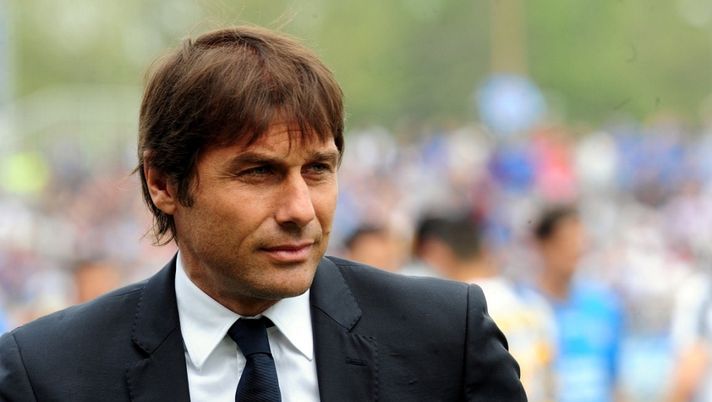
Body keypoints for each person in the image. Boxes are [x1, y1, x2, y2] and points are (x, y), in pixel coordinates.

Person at [0, 26, 525, 401]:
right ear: (163, 183)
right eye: (258, 172)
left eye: (317, 169)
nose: (300, 209)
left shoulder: (446, 338)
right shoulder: (48, 374)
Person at [412, 212, 556, 402]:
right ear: (486, 250)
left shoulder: (452, 315)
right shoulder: (535, 305)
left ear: (437, 254)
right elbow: (551, 386)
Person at [532, 205, 624, 402]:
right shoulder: (527, 310)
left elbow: (614, 381)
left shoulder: (604, 306)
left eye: (580, 241)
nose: (575, 249)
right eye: (566, 241)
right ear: (543, 245)